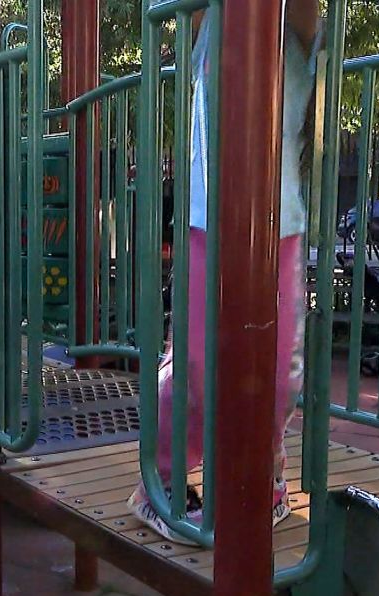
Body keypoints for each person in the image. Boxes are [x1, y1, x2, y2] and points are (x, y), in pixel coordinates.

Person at [126, 0, 322, 545]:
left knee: (279, 369)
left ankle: (265, 480)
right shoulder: (210, 18)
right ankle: (160, 483)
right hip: (207, 221)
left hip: (277, 224)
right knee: (193, 365)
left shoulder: (295, 25)